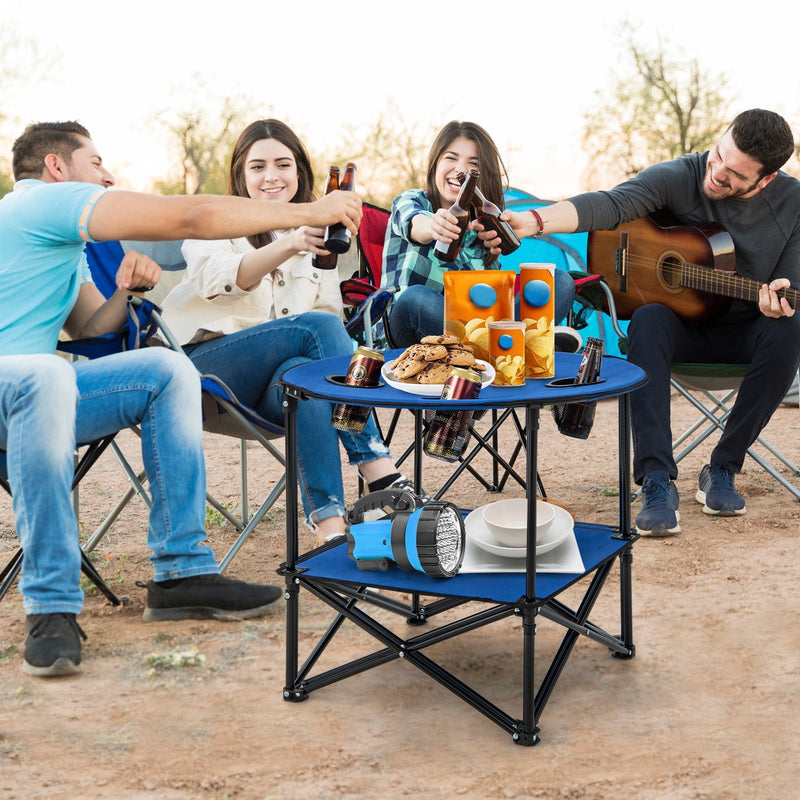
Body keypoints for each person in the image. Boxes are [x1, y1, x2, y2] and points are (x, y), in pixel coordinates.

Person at [0, 120, 361, 677]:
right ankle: (49, 606)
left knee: (167, 369)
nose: (108, 175)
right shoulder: (38, 205)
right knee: (45, 376)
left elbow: (88, 327)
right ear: (57, 168)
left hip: (40, 396)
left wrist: (126, 291)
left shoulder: (60, 246)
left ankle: (181, 572)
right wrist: (310, 214)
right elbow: (192, 216)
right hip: (15, 388)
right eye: (95, 163)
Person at [497, 108, 800, 535]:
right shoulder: (681, 174)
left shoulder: (793, 204)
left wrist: (779, 300)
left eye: (734, 174)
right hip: (678, 332)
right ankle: (657, 480)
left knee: (789, 327)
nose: (716, 173)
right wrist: (533, 220)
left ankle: (723, 467)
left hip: (746, 335)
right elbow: (612, 204)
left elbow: (790, 289)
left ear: (765, 180)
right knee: (651, 316)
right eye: (717, 156)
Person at [159, 119, 416, 546]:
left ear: (300, 172)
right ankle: (377, 466)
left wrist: (302, 238)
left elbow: (328, 328)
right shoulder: (217, 220)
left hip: (269, 391)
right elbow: (217, 281)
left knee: (305, 378)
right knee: (318, 331)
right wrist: (291, 241)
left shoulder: (321, 237)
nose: (271, 177)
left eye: (283, 164)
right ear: (241, 174)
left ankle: (330, 528)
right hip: (200, 372)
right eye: (258, 167)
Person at [380, 120, 577, 348]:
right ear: (435, 164)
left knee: (559, 281)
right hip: (410, 332)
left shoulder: (485, 225)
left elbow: (488, 306)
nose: (461, 170)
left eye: (473, 165)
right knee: (416, 298)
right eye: (451, 158)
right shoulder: (412, 201)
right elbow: (413, 223)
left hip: (473, 331)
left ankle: (508, 345)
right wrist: (434, 226)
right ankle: (524, 343)